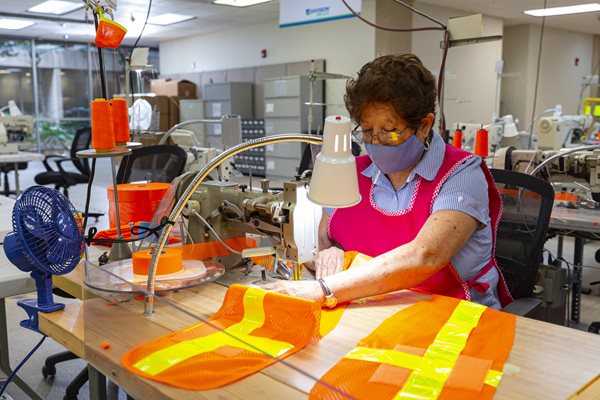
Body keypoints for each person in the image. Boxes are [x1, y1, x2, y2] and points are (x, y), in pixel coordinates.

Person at [264, 54, 513, 310]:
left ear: (424, 125)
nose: (377, 141)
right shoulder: (353, 174)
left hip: (454, 315)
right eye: (367, 131)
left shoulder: (461, 174)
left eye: (389, 131)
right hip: (377, 310)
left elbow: (425, 256)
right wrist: (328, 255)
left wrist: (323, 289)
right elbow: (320, 242)